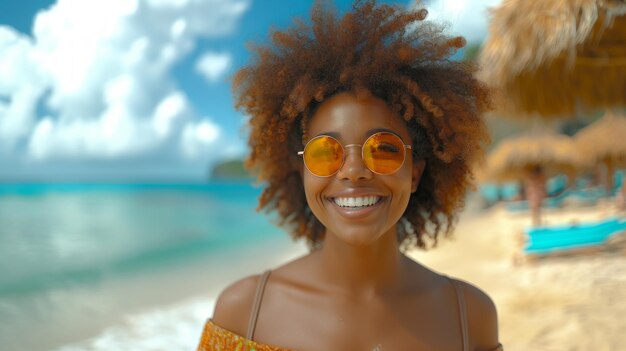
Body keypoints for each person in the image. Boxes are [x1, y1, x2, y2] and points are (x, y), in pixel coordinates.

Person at [197, 1, 502, 350]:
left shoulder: (470, 316)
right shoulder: (244, 313)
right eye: (326, 152)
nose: (354, 172)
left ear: (415, 173)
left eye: (383, 149)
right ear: (303, 172)